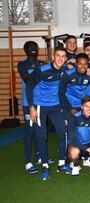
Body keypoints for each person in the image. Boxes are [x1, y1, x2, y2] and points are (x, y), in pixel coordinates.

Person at [26, 47, 72, 180]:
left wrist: (88, 71)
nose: (60, 59)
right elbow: (29, 86)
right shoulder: (42, 70)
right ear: (53, 56)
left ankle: (62, 164)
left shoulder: (65, 70)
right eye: (58, 55)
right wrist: (31, 107)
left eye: (63, 56)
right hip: (40, 106)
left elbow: (77, 70)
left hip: (56, 106)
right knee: (42, 136)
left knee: (62, 133)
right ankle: (45, 166)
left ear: (66, 58)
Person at [18, 41, 44, 173]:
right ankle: (28, 161)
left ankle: (38, 156)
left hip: (41, 102)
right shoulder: (22, 64)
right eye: (30, 47)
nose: (33, 49)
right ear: (25, 50)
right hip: (28, 103)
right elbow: (29, 80)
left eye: (35, 47)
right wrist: (42, 74)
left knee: (39, 130)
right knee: (29, 131)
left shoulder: (41, 64)